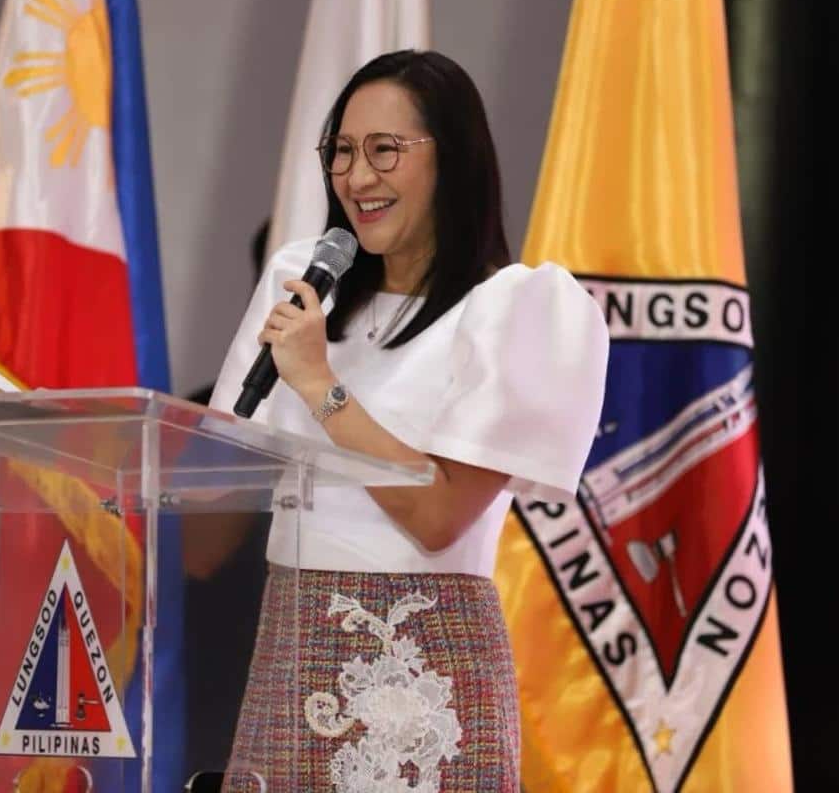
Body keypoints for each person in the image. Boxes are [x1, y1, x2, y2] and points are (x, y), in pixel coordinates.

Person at [208, 50, 609, 791]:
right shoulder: (303, 286)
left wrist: (323, 388)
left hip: (424, 664)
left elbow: (436, 515)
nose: (358, 178)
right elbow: (220, 459)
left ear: (450, 158)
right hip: (292, 641)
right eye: (343, 153)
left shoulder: (512, 309)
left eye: (385, 150)